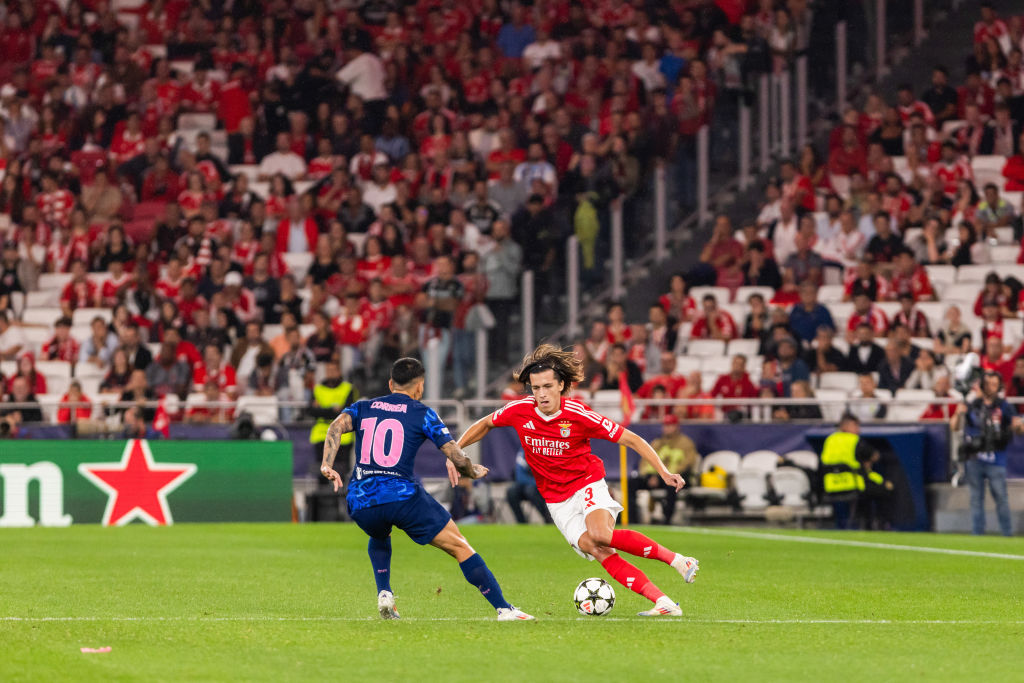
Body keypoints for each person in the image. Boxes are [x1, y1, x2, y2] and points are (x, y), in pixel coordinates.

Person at [453, 344, 699, 617]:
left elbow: (631, 438)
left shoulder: (578, 414)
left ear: (561, 385)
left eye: (547, 386)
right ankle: (664, 602)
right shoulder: (520, 410)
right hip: (556, 500)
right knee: (598, 549)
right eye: (535, 388)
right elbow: (485, 423)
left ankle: (678, 560)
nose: (541, 394)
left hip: (586, 483)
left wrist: (663, 471)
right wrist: (454, 450)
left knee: (600, 535)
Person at [318, 357, 534, 621]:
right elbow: (455, 455)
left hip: (361, 500)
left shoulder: (364, 406)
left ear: (390, 383)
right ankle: (504, 609)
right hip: (401, 497)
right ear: (419, 387)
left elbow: (335, 427)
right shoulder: (422, 413)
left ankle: (384, 593)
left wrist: (328, 465)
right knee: (460, 546)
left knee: (379, 533)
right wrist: (472, 470)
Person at [951, 371, 1023, 536]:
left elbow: (1018, 428)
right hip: (974, 457)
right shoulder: (972, 404)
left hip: (996, 458)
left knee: (1001, 497)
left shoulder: (1004, 406)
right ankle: (977, 533)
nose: (990, 387)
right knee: (976, 499)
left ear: (999, 386)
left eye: (993, 384)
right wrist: (958, 412)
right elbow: (954, 426)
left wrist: (1017, 426)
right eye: (987, 383)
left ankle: (1007, 533)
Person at [626, 414, 698, 525]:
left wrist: (669, 475)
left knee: (672, 486)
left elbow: (687, 463)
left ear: (677, 426)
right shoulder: (657, 443)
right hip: (656, 477)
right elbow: (644, 462)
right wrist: (650, 476)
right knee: (632, 482)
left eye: (670, 425)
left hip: (677, 477)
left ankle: (667, 520)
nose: (667, 428)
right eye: (665, 425)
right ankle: (633, 520)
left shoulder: (686, 443)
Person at [506, 450, 553, 525]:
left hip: (539, 487)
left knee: (530, 490)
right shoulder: (522, 451)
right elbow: (519, 476)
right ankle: (522, 523)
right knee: (511, 491)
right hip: (525, 485)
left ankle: (548, 520)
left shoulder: (541, 449)